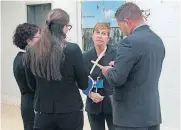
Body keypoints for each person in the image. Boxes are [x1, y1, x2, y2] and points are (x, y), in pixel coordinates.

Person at [102, 2, 165, 130]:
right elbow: (142, 69)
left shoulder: (128, 42)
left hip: (130, 119)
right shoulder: (157, 41)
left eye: (120, 26)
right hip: (151, 115)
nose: (122, 31)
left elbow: (117, 79)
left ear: (127, 21)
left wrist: (108, 71)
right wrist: (119, 65)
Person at [23, 8, 88, 130]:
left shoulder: (31, 51)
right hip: (70, 112)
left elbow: (31, 85)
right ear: (64, 27)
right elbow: (83, 84)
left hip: (43, 113)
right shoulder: (72, 50)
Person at [83, 22, 116, 130]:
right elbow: (80, 80)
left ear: (108, 38)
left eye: (103, 33)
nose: (100, 36)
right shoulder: (85, 56)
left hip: (112, 104)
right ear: (92, 35)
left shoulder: (116, 54)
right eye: (97, 32)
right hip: (93, 103)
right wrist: (90, 93)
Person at [13, 23, 40, 130]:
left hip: (27, 102)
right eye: (39, 36)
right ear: (29, 41)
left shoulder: (20, 56)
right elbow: (34, 84)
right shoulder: (27, 59)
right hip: (32, 104)